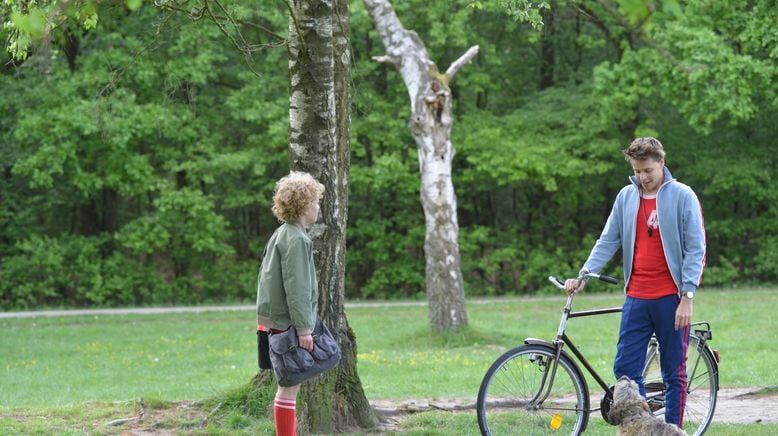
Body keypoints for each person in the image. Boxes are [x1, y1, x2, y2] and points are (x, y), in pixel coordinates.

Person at [564, 137, 706, 428]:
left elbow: (696, 248)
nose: (643, 177)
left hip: (671, 298)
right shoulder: (626, 197)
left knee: (673, 374)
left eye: (648, 171)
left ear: (662, 164)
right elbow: (608, 240)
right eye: (637, 171)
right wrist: (584, 275)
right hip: (637, 297)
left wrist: (687, 296)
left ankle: (673, 433)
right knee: (626, 372)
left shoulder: (683, 195)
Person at [256, 171, 324, 436]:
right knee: (289, 385)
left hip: (275, 321)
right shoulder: (296, 240)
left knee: (288, 384)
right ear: (305, 206)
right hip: (286, 324)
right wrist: (305, 329)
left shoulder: (282, 233)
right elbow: (297, 288)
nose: (318, 207)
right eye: (316, 202)